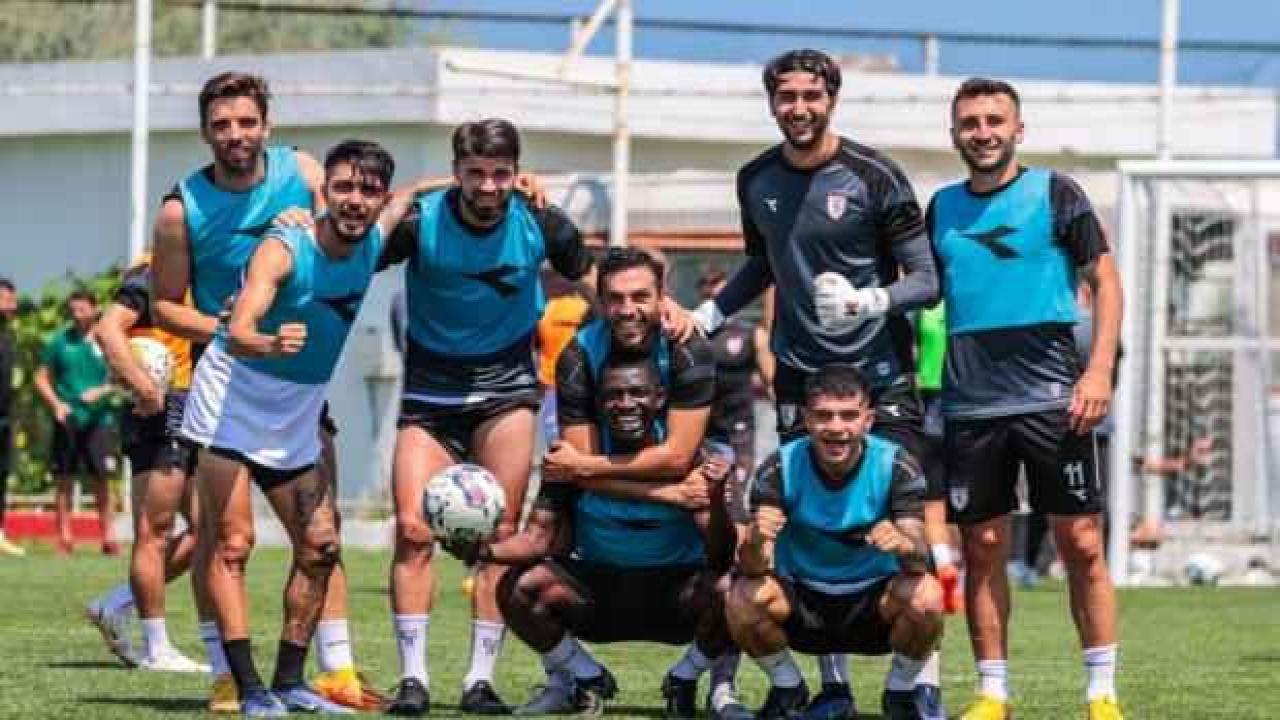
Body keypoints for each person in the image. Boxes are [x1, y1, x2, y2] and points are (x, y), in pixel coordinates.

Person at [684, 48, 944, 718]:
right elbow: (760, 263)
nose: (799, 108)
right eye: (786, 96)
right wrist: (707, 315)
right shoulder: (755, 178)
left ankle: (919, 685)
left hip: (879, 378)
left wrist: (870, 301)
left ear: (832, 98)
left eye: (811, 95)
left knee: (904, 526)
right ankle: (833, 688)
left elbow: (926, 279)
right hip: (801, 377)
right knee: (809, 522)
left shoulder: (875, 175)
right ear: (772, 102)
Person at [151, 71, 381, 713]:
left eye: (246, 122)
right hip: (229, 380)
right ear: (205, 133)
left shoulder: (301, 171)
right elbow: (165, 306)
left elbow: (354, 212)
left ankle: (317, 675)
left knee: (322, 539)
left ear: (267, 126)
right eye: (222, 124)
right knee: (228, 540)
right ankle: (233, 677)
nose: (236, 134)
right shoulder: (181, 210)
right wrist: (232, 330)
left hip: (299, 386)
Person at [180, 139, 417, 716]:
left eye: (368, 190)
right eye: (343, 187)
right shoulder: (283, 248)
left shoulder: (376, 238)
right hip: (231, 401)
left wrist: (512, 185)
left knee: (321, 545)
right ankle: (248, 689)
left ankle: (289, 682)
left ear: (381, 197)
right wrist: (269, 342)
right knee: (233, 544)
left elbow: (415, 192)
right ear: (323, 192)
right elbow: (238, 328)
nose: (355, 199)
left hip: (295, 412)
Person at [376, 118, 595, 715]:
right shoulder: (421, 222)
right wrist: (410, 193)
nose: (489, 186)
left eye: (501, 173)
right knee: (413, 529)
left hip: (506, 393)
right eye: (475, 173)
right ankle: (413, 680)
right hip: (430, 395)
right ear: (457, 172)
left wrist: (662, 320)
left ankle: (479, 682)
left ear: (516, 172)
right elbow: (354, 255)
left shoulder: (541, 222)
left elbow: (595, 280)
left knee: (500, 536)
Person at [928, 77, 1123, 720]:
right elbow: (919, 290)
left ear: (1018, 129)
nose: (982, 132)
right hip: (970, 404)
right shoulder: (941, 208)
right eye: (970, 122)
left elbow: (1106, 281)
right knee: (982, 548)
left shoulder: (1057, 192)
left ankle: (1101, 695)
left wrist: (1099, 372)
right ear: (954, 134)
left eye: (994, 120)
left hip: (1053, 398)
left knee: (1082, 544)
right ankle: (993, 695)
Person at [450, 356, 735, 718]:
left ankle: (687, 679)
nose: (626, 404)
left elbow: (722, 554)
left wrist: (715, 501)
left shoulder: (694, 459)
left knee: (733, 590)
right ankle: (586, 678)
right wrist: (482, 551)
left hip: (675, 596)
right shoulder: (568, 460)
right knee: (519, 586)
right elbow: (536, 539)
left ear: (660, 398)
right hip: (598, 594)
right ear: (599, 402)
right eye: (614, 395)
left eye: (637, 393)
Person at [544, 248, 747, 719]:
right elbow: (579, 466)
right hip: (623, 500)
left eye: (640, 296)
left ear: (662, 296)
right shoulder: (577, 355)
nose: (627, 309)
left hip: (696, 472)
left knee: (736, 562)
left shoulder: (688, 346)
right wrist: (666, 491)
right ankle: (570, 680)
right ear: (599, 300)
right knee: (536, 557)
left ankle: (720, 687)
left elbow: (675, 455)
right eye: (615, 298)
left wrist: (589, 469)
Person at [726, 364, 945, 720]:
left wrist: (903, 545)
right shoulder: (779, 467)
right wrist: (754, 539)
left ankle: (901, 693)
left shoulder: (896, 464)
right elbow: (753, 567)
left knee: (928, 596)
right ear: (806, 419)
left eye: (848, 415)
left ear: (868, 420)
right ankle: (788, 688)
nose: (836, 427)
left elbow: (919, 559)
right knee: (741, 598)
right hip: (804, 601)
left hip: (873, 602)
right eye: (824, 415)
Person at [84, 255, 212, 676]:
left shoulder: (204, 269)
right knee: (154, 532)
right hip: (161, 408)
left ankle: (116, 602)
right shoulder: (154, 270)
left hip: (191, 406)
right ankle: (156, 647)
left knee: (207, 530)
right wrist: (143, 385)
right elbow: (108, 330)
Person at [33, 291, 119, 556]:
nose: (76, 314)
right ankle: (65, 538)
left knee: (102, 479)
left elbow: (122, 375)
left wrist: (102, 391)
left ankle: (109, 537)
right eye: (72, 310)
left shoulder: (108, 340)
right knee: (64, 479)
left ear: (95, 309)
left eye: (81, 309)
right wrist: (56, 404)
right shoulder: (59, 342)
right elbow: (40, 378)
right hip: (68, 419)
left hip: (100, 420)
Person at [0, 278, 21, 557]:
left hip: (3, 419)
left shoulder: (7, 336)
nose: (12, 304)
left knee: (1, 475)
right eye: (6, 298)